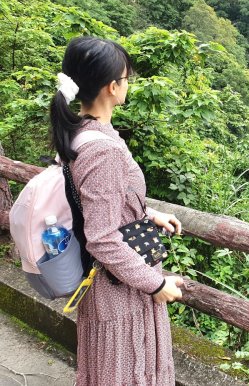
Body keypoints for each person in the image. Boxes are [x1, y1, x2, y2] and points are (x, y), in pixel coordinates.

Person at [50, 36, 183, 385]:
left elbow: (95, 201)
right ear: (112, 87)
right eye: (126, 79)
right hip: (118, 292)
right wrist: (155, 284)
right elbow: (102, 238)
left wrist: (147, 213)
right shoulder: (102, 150)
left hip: (107, 285)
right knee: (125, 374)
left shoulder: (80, 133)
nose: (127, 85)